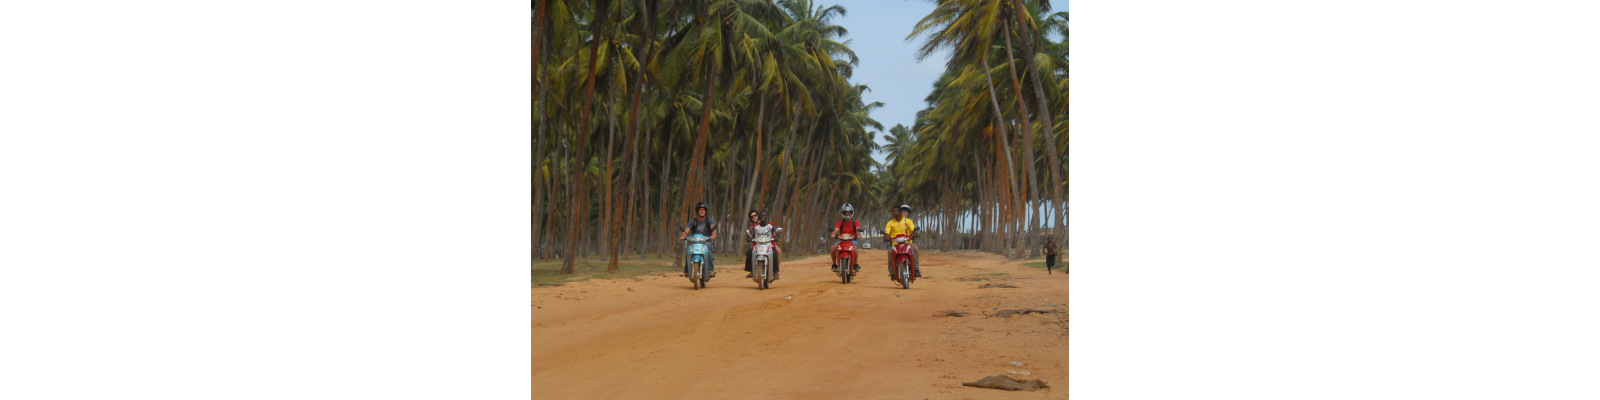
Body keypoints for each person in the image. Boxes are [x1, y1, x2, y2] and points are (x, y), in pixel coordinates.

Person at [677, 202, 717, 277]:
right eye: (700, 210)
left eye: (703, 210)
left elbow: (713, 228)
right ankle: (687, 270)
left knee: (708, 252)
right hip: (694, 241)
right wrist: (683, 235)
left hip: (706, 241)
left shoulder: (709, 221)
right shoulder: (693, 221)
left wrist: (713, 235)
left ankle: (710, 269)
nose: (702, 211)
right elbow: (687, 229)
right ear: (697, 211)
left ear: (706, 211)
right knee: (689, 251)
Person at [882, 204, 920, 279]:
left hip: (907, 242)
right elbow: (887, 232)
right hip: (895, 244)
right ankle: (892, 272)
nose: (905, 213)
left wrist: (915, 233)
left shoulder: (908, 221)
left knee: (914, 248)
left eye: (907, 212)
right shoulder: (890, 223)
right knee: (889, 251)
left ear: (899, 212)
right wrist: (885, 236)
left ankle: (916, 269)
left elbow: (913, 229)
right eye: (904, 211)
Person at [745, 211, 782, 280]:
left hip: (769, 245)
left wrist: (778, 237)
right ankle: (751, 271)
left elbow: (777, 233)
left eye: (764, 216)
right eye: (761, 216)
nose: (763, 217)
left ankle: (775, 272)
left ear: (767, 216)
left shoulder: (771, 225)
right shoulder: (755, 226)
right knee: (749, 252)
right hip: (758, 245)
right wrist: (748, 237)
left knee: (774, 253)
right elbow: (750, 235)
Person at [829, 203, 863, 272]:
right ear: (843, 213)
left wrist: (859, 233)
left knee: (855, 248)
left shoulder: (855, 222)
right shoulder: (840, 222)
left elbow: (858, 229)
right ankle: (834, 264)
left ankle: (855, 264)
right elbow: (836, 229)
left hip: (852, 240)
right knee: (833, 248)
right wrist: (833, 234)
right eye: (846, 213)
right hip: (842, 240)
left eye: (849, 213)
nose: (847, 214)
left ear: (851, 213)